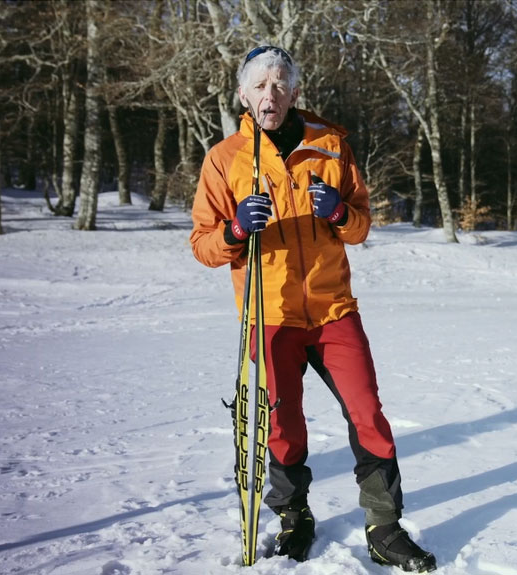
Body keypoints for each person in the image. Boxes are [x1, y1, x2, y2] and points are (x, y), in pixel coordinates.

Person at [189, 45, 436, 573]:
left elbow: (363, 225)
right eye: (258, 86)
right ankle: (293, 516)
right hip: (269, 313)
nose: (269, 95)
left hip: (333, 310)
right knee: (282, 425)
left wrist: (341, 211)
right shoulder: (224, 159)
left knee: (367, 412)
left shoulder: (331, 146)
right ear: (242, 95)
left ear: (295, 92)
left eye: (279, 85)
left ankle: (384, 528)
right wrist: (235, 230)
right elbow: (202, 245)